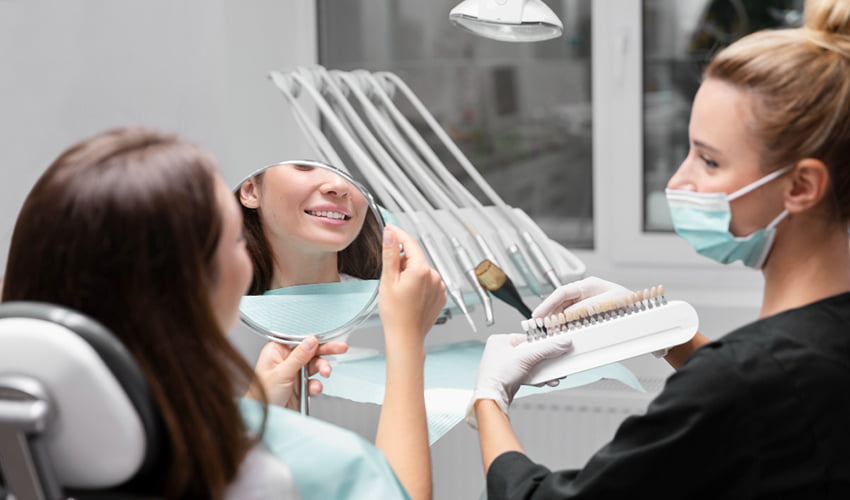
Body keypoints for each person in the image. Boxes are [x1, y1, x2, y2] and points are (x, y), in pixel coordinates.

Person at [468, 0, 850, 497]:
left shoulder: (741, 380)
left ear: (801, 185)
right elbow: (777, 393)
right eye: (687, 151)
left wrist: (489, 399)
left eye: (709, 161)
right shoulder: (799, 354)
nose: (678, 180)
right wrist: (660, 332)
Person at [2, 127, 446, 499]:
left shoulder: (28, 451)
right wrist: (407, 344)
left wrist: (251, 409)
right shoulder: (307, 467)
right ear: (197, 278)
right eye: (236, 239)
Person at [237, 162, 382, 295]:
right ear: (251, 191)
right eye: (304, 165)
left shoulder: (387, 303)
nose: (340, 185)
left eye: (348, 170)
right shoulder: (222, 308)